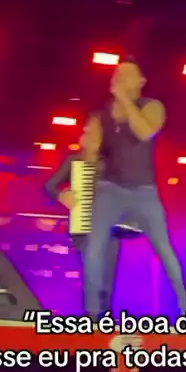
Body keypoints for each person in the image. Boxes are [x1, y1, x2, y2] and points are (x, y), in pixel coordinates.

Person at [83, 58, 186, 319]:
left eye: (127, 73)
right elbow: (90, 158)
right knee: (94, 247)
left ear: (141, 82)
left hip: (144, 190)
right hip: (111, 188)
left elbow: (144, 132)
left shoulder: (152, 107)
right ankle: (92, 312)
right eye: (117, 72)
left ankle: (184, 306)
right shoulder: (101, 116)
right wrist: (88, 146)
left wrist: (125, 101)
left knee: (163, 248)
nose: (119, 76)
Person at [44, 121, 124, 315]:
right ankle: (91, 318)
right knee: (92, 277)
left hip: (110, 229)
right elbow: (49, 186)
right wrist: (62, 195)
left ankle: (103, 320)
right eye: (88, 132)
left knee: (108, 280)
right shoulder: (75, 161)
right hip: (85, 227)